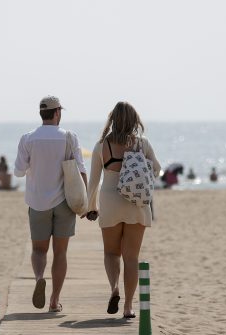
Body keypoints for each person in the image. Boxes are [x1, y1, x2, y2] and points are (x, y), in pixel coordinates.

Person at [85, 101, 161, 319]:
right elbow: (157, 169)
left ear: (112, 120)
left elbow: (93, 181)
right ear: (134, 120)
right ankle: (128, 307)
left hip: (110, 202)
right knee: (131, 258)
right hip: (136, 203)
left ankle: (114, 289)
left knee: (111, 253)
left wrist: (91, 207)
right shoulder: (142, 144)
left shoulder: (102, 146)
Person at [14, 95, 87, 313]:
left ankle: (39, 277)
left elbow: (18, 172)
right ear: (57, 113)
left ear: (41, 113)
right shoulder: (69, 137)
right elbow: (81, 170)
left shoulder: (28, 138)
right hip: (65, 202)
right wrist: (86, 203)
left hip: (37, 202)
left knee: (39, 250)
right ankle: (54, 300)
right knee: (60, 253)